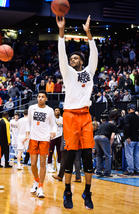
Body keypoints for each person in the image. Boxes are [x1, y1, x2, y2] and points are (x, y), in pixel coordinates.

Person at [57, 15, 98, 209]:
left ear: (81, 60)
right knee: (70, 156)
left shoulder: (89, 71)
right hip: (70, 116)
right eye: (71, 58)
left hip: (86, 116)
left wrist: (88, 33)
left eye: (75, 58)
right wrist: (62, 31)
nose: (72, 60)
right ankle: (67, 192)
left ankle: (87, 192)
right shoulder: (68, 73)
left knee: (88, 156)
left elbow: (94, 52)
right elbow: (61, 53)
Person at [25, 90, 57, 198]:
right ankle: (36, 181)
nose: (40, 98)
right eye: (39, 96)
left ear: (46, 98)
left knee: (43, 164)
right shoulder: (31, 108)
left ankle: (40, 187)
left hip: (44, 139)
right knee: (33, 164)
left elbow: (54, 125)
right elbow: (28, 123)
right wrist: (27, 134)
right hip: (33, 138)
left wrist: (53, 132)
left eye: (43, 97)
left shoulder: (50, 110)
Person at [123, 103, 139, 176]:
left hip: (130, 139)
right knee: (136, 155)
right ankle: (137, 170)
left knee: (129, 155)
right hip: (136, 139)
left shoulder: (127, 117)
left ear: (129, 109)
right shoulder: (137, 117)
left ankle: (130, 170)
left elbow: (127, 127)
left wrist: (127, 137)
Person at [47, 107, 63, 173]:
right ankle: (49, 166)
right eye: (56, 110)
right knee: (50, 151)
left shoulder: (62, 119)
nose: (57, 111)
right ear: (54, 111)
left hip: (59, 136)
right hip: (52, 137)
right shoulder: (51, 119)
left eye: (58, 110)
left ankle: (59, 165)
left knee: (60, 151)